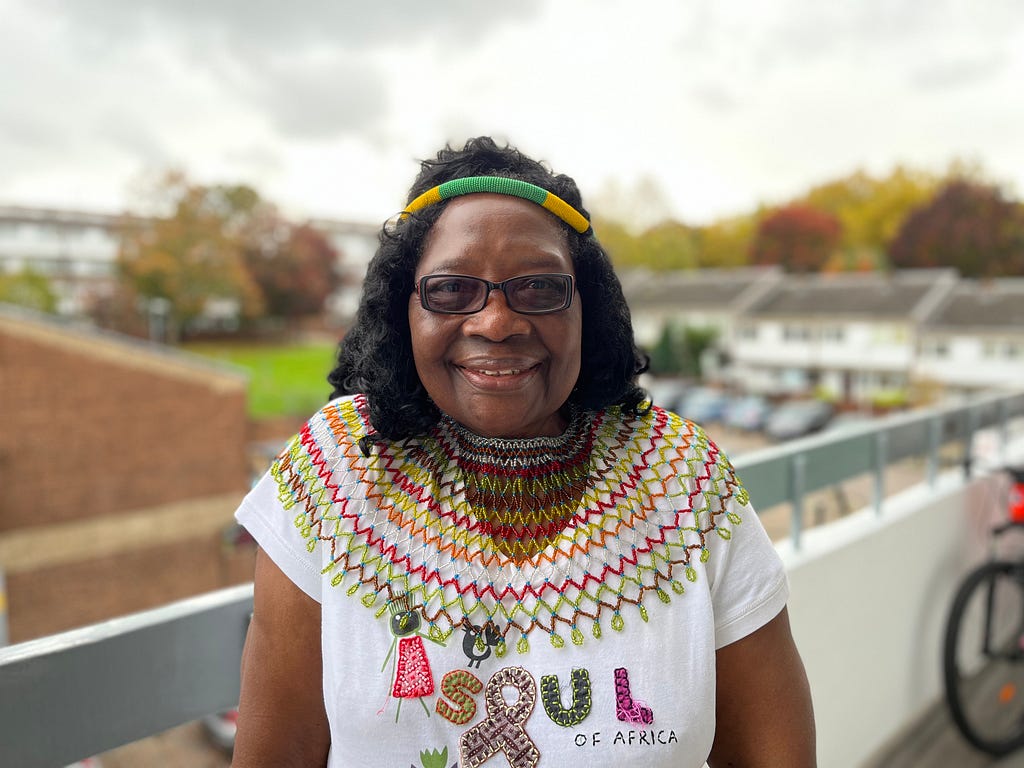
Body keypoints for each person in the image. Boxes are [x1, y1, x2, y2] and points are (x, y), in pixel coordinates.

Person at [232, 136, 816, 768]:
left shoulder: (685, 480)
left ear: (585, 307)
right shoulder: (334, 470)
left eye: (538, 288)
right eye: (453, 291)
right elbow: (279, 752)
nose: (497, 322)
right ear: (404, 309)